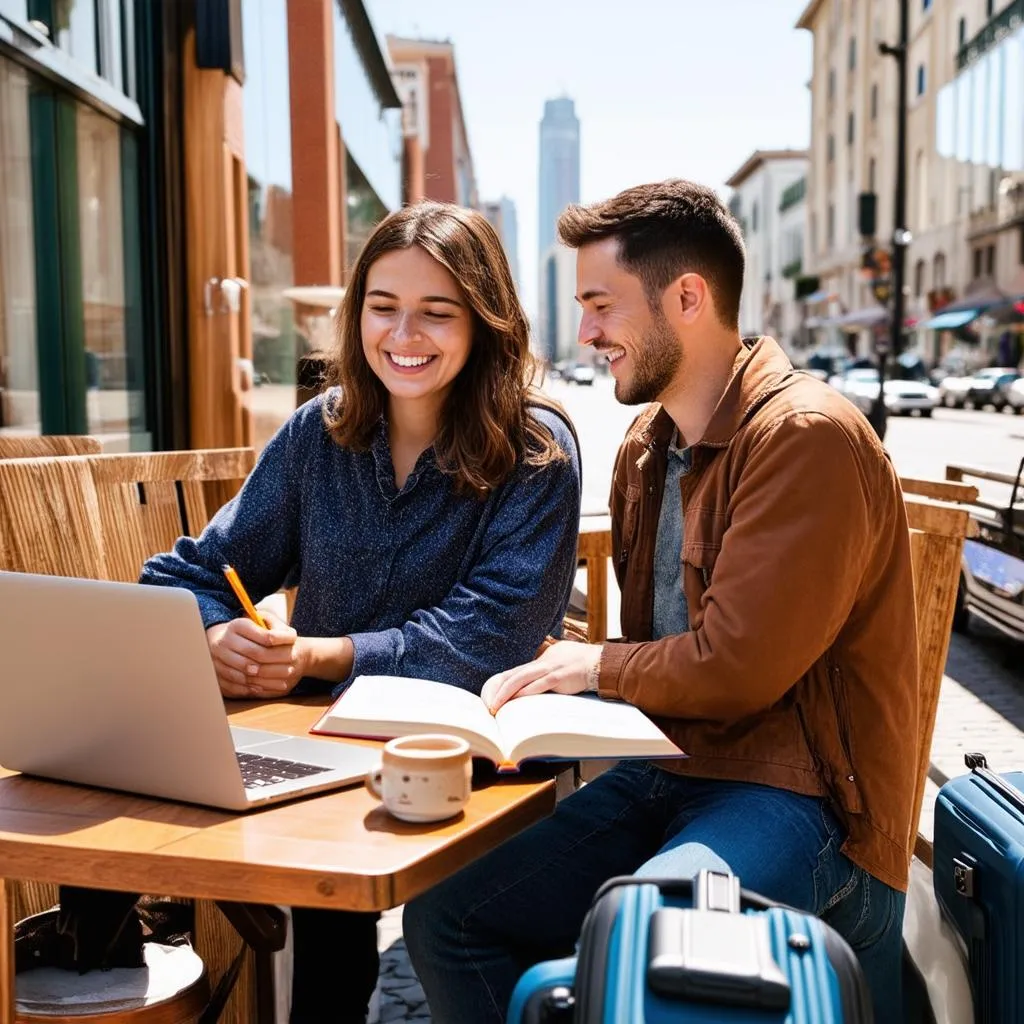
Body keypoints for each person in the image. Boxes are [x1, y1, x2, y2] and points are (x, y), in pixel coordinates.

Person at [403, 180, 918, 1024]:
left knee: (643, 951)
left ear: (687, 298)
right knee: (449, 916)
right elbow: (674, 650)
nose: (585, 334)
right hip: (675, 772)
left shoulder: (804, 437)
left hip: (813, 803)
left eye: (601, 305)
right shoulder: (649, 446)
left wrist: (595, 664)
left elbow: (735, 669)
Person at [139, 201, 582, 1024]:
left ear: (485, 324)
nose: (404, 334)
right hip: (323, 756)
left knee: (454, 936)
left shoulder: (538, 451)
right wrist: (213, 632)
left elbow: (493, 632)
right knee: (321, 952)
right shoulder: (319, 433)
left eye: (436, 313)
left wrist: (322, 654)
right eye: (384, 307)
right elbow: (187, 572)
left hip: (476, 763)